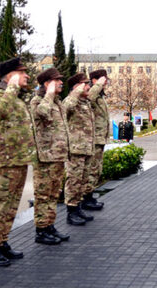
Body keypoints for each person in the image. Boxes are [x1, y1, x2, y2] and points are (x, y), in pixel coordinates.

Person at [0, 57, 36, 267]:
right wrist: (12, 88)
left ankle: (3, 241)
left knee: (12, 204)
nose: (27, 76)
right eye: (22, 72)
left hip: (19, 160)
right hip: (5, 162)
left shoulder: (16, 99)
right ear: (11, 75)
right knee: (1, 204)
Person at [30, 67, 70, 245]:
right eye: (56, 80)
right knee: (43, 195)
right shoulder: (38, 101)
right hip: (45, 157)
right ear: (46, 84)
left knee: (54, 193)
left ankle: (50, 226)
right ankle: (41, 231)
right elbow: (42, 113)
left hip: (58, 156)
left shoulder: (57, 102)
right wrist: (49, 94)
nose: (61, 82)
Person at [62, 73, 96, 225]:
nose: (88, 87)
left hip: (87, 148)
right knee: (73, 180)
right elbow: (64, 109)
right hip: (75, 149)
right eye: (84, 84)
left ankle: (78, 207)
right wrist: (75, 92)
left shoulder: (85, 102)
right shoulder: (71, 101)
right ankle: (71, 211)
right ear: (76, 86)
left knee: (82, 180)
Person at [84, 69, 109, 210]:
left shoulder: (100, 96)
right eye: (103, 80)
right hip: (94, 139)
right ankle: (86, 199)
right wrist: (98, 85)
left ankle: (90, 196)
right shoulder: (92, 93)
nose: (105, 82)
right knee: (92, 170)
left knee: (96, 170)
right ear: (94, 80)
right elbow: (88, 98)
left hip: (100, 138)